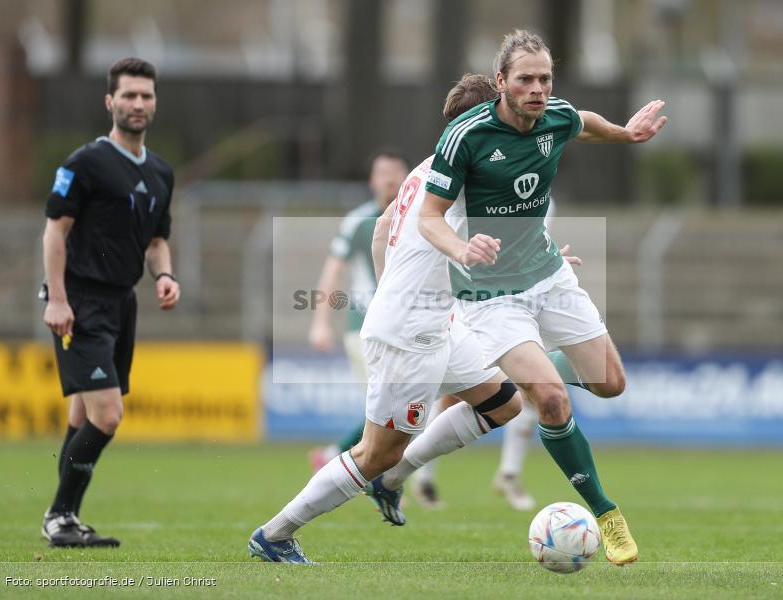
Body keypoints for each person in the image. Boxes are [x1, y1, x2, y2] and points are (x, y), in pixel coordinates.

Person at [248, 74, 525, 564]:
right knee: (375, 452)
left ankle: (392, 480)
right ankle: (275, 533)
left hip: (435, 322)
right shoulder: (468, 176)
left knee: (504, 403)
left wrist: (388, 293)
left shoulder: (426, 169)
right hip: (411, 333)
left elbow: (382, 229)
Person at [418, 30, 667, 565]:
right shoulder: (466, 136)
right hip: (490, 295)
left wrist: (625, 134)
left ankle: (523, 369)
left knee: (611, 383)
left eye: (545, 79)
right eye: (526, 79)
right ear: (501, 82)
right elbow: (428, 217)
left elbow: (584, 122)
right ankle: (607, 513)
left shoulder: (555, 116)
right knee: (552, 399)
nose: (537, 89)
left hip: (549, 277)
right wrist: (462, 249)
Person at [41, 57, 179, 548]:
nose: (138, 103)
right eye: (128, 95)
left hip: (122, 304)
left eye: (146, 95)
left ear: (155, 103)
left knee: (83, 417)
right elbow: (54, 232)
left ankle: (67, 519)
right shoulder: (85, 163)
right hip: (80, 302)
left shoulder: (161, 172)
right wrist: (57, 299)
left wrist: (164, 275)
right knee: (108, 415)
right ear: (110, 102)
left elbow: (157, 240)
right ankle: (59, 515)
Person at [306, 151, 408, 473]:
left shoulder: (420, 216)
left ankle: (334, 457)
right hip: (366, 326)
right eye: (383, 173)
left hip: (406, 326)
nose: (390, 179)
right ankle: (375, 478)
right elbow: (332, 270)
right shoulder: (358, 221)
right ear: (372, 181)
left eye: (396, 172)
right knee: (386, 410)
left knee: (402, 407)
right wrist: (320, 323)